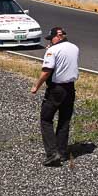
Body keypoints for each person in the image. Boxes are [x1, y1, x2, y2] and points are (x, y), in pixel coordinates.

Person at [31, 27, 79, 167]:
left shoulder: (52, 51)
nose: (50, 41)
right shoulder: (74, 48)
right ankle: (62, 152)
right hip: (70, 88)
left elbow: (46, 71)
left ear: (56, 37)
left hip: (55, 89)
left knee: (46, 119)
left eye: (51, 38)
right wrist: (51, 49)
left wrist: (36, 86)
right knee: (64, 120)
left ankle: (52, 153)